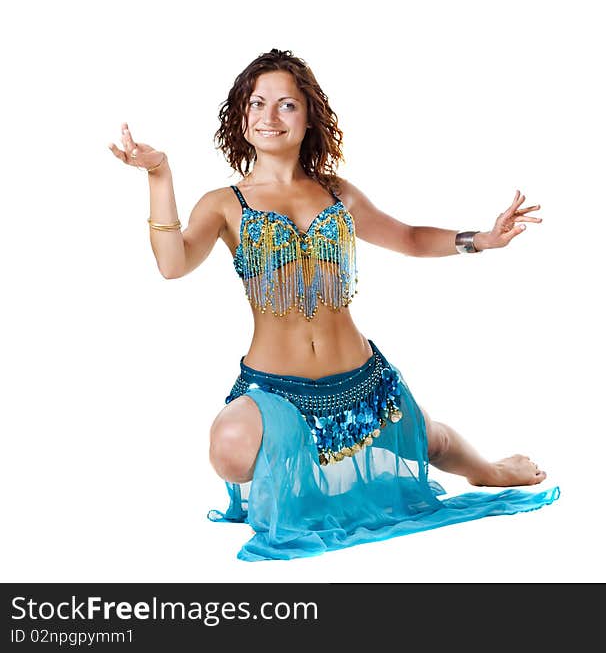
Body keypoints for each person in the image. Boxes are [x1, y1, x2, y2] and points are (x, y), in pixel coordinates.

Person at [108, 48, 559, 561]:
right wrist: (159, 174)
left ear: (308, 117)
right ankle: (309, 479)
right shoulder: (223, 204)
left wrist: (479, 239)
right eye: (257, 104)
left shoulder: (336, 192)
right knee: (231, 451)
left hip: (361, 377)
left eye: (286, 105)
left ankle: (488, 470)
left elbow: (408, 237)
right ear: (241, 116)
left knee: (426, 444)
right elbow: (173, 263)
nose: (270, 117)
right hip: (278, 391)